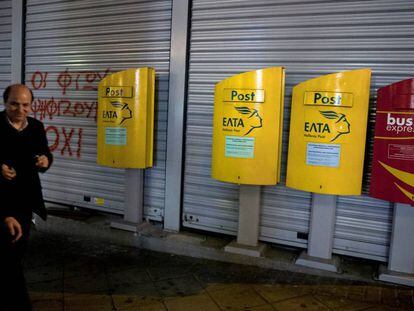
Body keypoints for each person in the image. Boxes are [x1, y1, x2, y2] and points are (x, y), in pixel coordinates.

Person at [0, 84, 53, 311]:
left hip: (25, 202)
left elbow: (45, 153)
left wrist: (45, 161)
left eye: (25, 105)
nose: (20, 109)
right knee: (10, 260)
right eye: (14, 104)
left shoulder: (37, 127)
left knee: (14, 256)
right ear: (5, 102)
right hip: (1, 201)